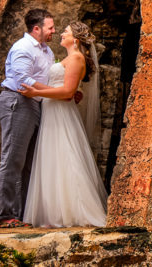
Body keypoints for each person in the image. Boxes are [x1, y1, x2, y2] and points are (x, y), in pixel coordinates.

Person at [20, 20, 107, 227]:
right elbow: (63, 87)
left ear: (75, 39)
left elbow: (67, 92)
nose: (61, 34)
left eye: (65, 32)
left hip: (60, 111)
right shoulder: (71, 58)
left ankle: (76, 211)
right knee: (54, 158)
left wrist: (36, 93)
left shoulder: (76, 57)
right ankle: (55, 211)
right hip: (53, 110)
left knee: (66, 155)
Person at [0, 8, 55, 229]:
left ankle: (19, 215)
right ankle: (4, 216)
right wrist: (53, 91)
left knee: (28, 164)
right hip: (17, 101)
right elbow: (23, 79)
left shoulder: (47, 51)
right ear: (37, 28)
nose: (54, 31)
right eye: (50, 27)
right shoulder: (23, 48)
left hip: (35, 104)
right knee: (12, 160)